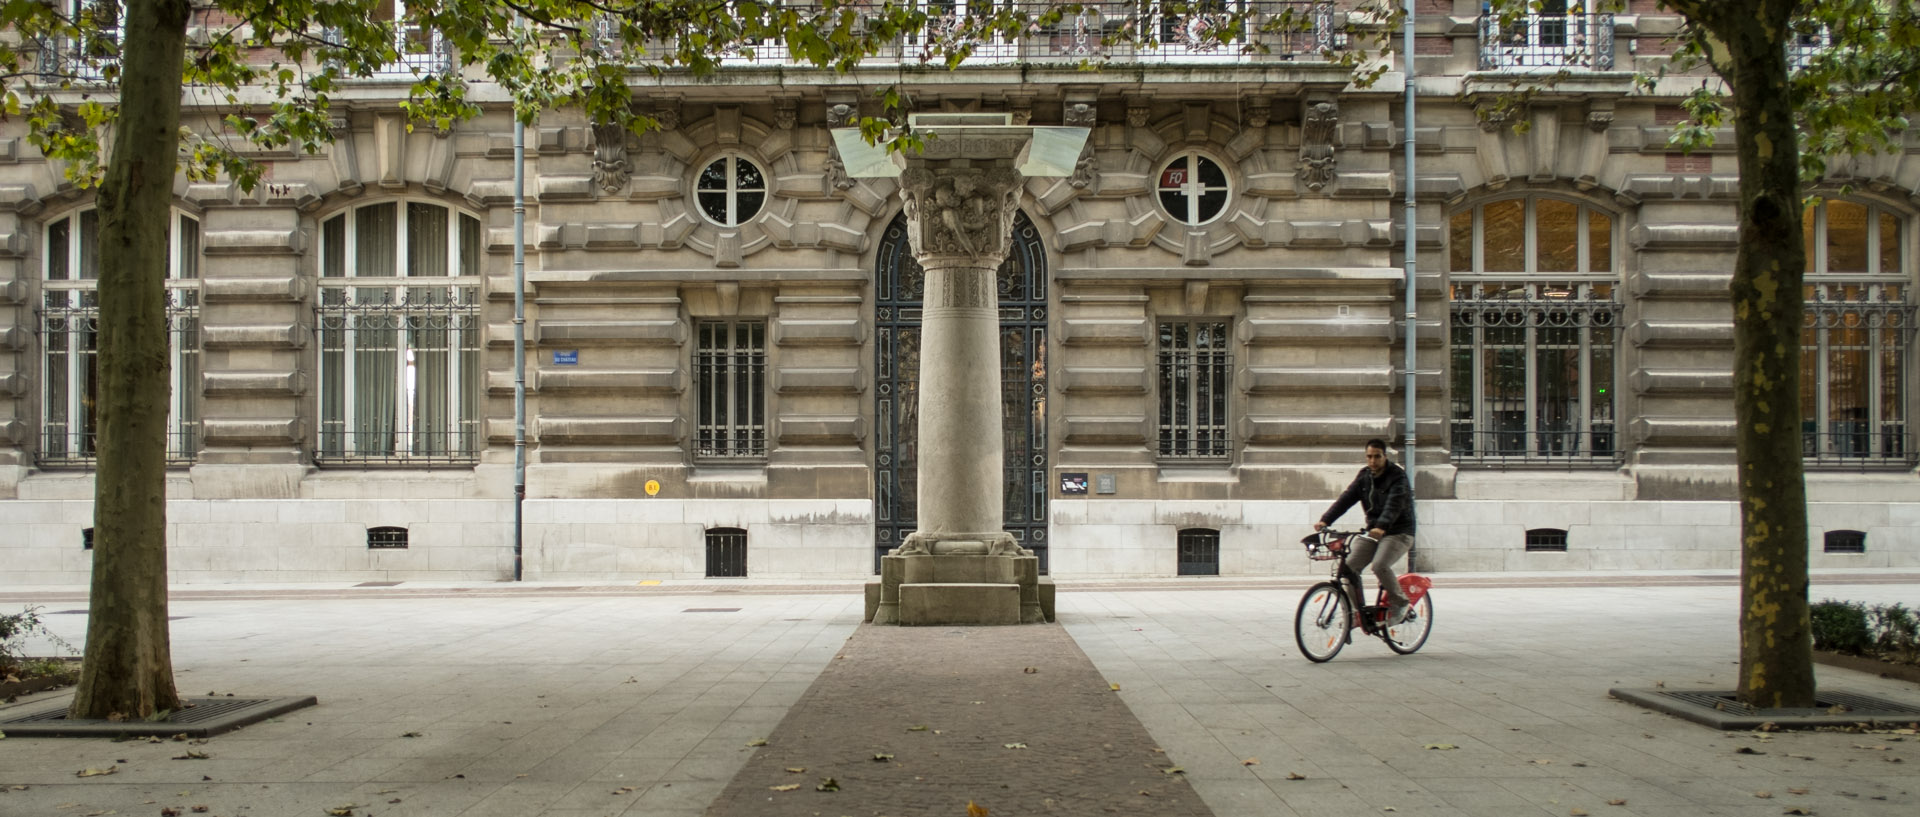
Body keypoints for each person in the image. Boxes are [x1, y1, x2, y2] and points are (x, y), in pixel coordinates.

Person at [1314, 438, 1416, 624]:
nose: (1372, 461)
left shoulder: (1397, 477)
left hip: (1399, 532)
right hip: (1373, 532)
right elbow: (1346, 499)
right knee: (1348, 569)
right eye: (1369, 457)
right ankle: (1356, 614)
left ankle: (1400, 602)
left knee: (1379, 565)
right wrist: (1325, 519)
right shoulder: (1365, 476)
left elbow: (1394, 505)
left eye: (1377, 457)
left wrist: (1381, 527)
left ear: (1385, 456)